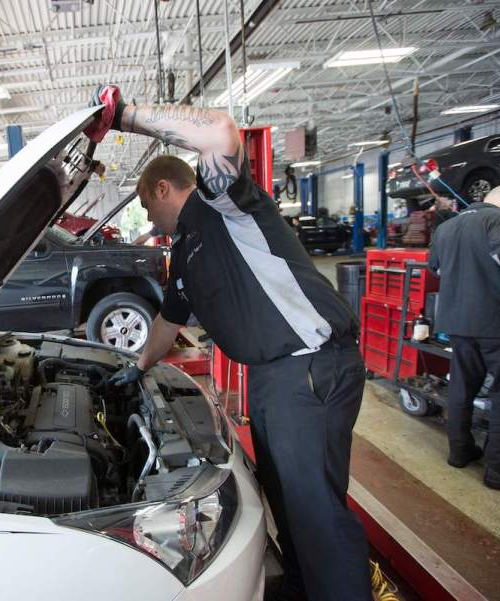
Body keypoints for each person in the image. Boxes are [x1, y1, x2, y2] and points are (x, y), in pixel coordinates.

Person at [86, 86, 371, 601]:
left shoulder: (225, 207)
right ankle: (306, 590)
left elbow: (218, 131)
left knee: (315, 512)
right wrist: (133, 367)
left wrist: (126, 117)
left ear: (169, 188)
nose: (151, 223)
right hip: (273, 378)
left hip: (308, 367)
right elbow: (167, 324)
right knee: (285, 502)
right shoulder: (185, 249)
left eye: (151, 209)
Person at [428, 183, 500, 491]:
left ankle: (460, 452)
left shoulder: (446, 228)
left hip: (457, 324)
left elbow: (436, 268)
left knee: (461, 387)